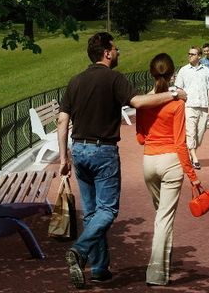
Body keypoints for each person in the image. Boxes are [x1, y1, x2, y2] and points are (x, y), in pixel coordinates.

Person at [58, 32, 186, 288]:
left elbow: (62, 121)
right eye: (115, 49)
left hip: (79, 150)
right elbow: (138, 102)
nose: (118, 53)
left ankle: (99, 268)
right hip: (103, 151)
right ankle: (80, 251)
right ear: (106, 52)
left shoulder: (75, 81)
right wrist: (174, 95)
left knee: (92, 212)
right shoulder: (114, 78)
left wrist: (64, 157)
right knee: (107, 210)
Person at [136, 53, 200, 286]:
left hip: (149, 161)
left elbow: (141, 138)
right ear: (172, 74)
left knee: (161, 216)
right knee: (164, 219)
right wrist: (193, 177)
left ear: (151, 74)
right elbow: (180, 143)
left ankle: (164, 260)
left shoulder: (144, 102)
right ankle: (156, 273)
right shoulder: (177, 103)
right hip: (171, 161)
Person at [174, 46, 209, 170]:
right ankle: (194, 158)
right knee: (190, 133)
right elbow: (178, 88)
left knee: (200, 135)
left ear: (199, 56)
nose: (190, 56)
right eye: (189, 54)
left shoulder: (206, 70)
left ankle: (191, 154)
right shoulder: (183, 70)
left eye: (193, 54)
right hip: (189, 106)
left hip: (203, 105)